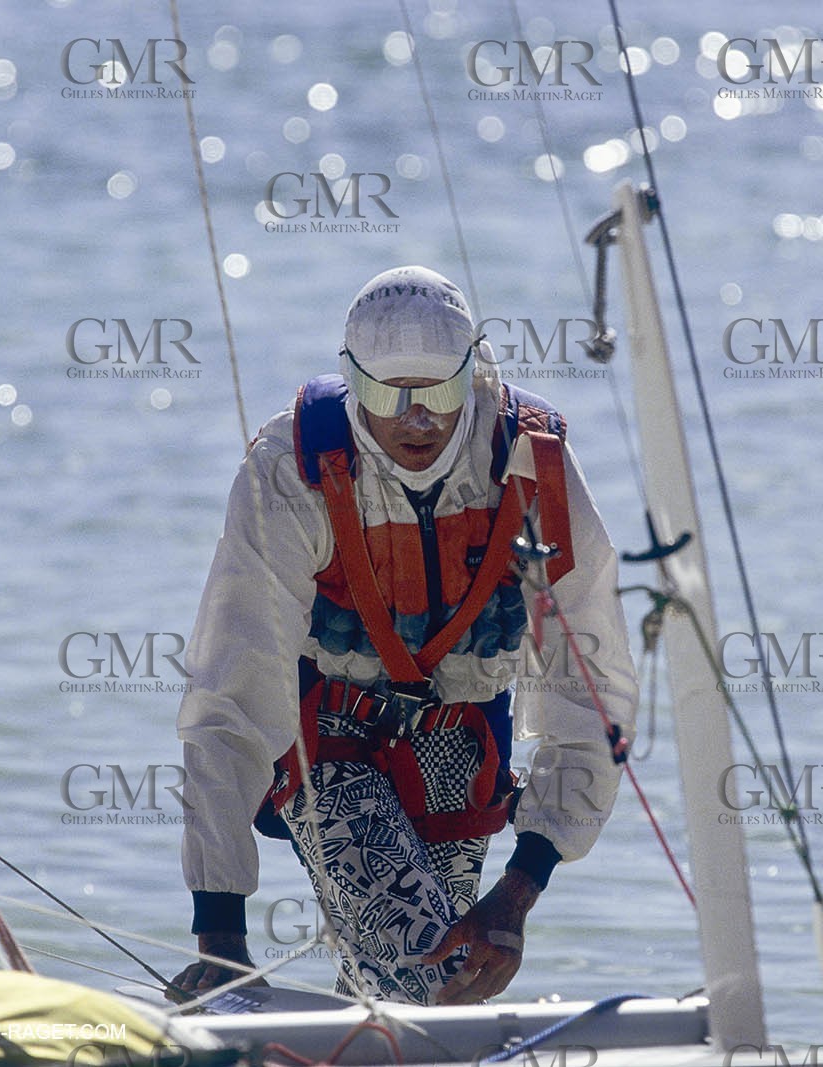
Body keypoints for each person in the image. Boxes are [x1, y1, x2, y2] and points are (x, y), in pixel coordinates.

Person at [171, 265, 638, 1006]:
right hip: (327, 735)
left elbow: (595, 681)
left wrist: (521, 889)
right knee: (433, 981)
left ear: (474, 373)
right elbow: (231, 692)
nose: (416, 419)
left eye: (440, 393)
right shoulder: (289, 473)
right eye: (389, 396)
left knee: (405, 991)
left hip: (463, 745)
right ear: (351, 381)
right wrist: (220, 927)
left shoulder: (531, 465)